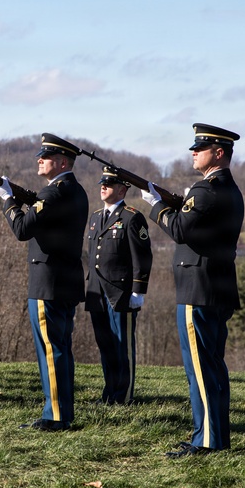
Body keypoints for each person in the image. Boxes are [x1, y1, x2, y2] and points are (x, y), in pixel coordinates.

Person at [142, 124, 244, 456]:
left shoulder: (205, 190)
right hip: (216, 287)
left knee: (199, 369)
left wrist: (157, 206)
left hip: (197, 289)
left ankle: (208, 440)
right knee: (212, 366)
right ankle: (213, 434)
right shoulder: (228, 189)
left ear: (218, 153)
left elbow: (179, 229)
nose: (192, 153)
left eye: (199, 149)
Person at [0, 133, 88, 431]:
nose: (39, 160)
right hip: (65, 280)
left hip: (48, 282)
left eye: (45, 157)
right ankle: (61, 411)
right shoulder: (75, 190)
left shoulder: (54, 193)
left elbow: (22, 229)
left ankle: (55, 416)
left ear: (62, 162)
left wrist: (8, 199)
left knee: (51, 349)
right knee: (60, 348)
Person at [84, 166, 152, 405]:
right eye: (102, 183)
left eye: (109, 184)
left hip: (120, 293)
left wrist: (138, 291)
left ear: (122, 189)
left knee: (122, 346)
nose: (103, 187)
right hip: (96, 292)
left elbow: (142, 256)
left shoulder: (132, 217)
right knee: (105, 346)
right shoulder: (95, 218)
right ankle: (109, 393)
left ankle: (124, 396)